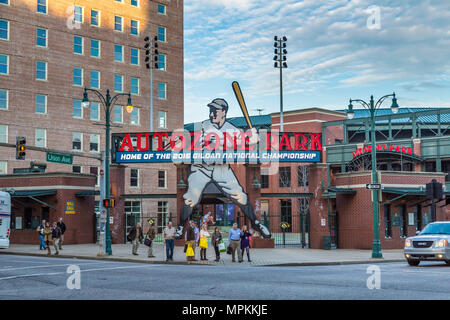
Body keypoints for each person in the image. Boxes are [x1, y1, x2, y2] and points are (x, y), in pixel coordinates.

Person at [179, 98, 270, 239]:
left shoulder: (233, 130)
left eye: (215, 111)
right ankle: (180, 227)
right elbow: (196, 143)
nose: (211, 114)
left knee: (241, 196)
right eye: (210, 111)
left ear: (224, 112)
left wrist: (253, 138)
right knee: (191, 198)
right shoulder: (204, 125)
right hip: (201, 167)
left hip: (221, 168)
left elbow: (246, 144)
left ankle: (256, 223)